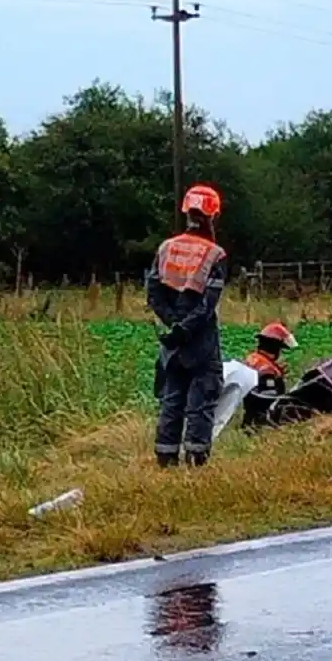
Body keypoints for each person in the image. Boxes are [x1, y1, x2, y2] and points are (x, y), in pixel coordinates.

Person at [146, 184, 227, 467]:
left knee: (172, 400)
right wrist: (187, 327)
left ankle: (165, 460)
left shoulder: (166, 248)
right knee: (202, 400)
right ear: (212, 216)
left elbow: (153, 292)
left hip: (170, 340)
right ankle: (196, 460)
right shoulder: (214, 254)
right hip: (200, 340)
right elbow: (207, 304)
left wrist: (172, 325)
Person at [240, 322, 298, 430]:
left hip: (249, 417)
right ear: (275, 347)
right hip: (261, 424)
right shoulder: (267, 369)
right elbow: (268, 398)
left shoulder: (253, 359)